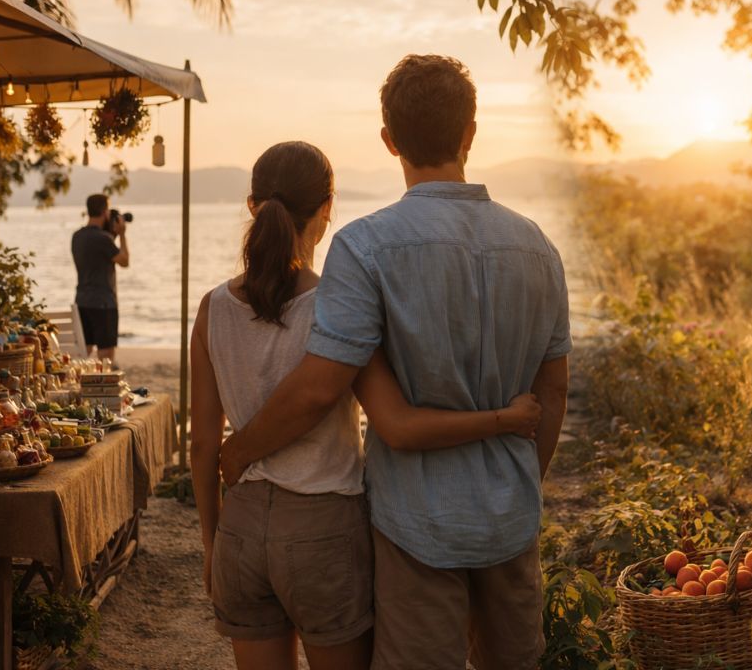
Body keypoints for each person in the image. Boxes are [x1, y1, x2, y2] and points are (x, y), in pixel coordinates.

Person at [218, 55, 572, 669]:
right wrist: (518, 480)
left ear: (388, 140)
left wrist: (240, 448)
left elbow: (320, 387)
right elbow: (554, 391)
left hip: (416, 522)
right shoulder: (538, 247)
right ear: (470, 132)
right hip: (509, 514)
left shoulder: (365, 247)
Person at [71, 194, 129, 361]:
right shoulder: (103, 239)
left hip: (82, 301)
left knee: (84, 353)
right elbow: (124, 261)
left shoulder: (77, 237)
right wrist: (122, 234)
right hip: (104, 303)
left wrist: (111, 235)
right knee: (105, 357)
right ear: (105, 212)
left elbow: (96, 255)